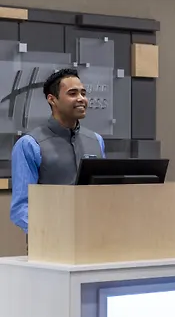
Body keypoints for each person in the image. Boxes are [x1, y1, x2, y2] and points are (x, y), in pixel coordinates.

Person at [10, 68, 106, 237]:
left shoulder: (96, 140)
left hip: (95, 237)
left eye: (83, 93)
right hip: (50, 241)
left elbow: (104, 194)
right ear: (52, 99)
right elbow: (21, 207)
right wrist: (50, 232)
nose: (81, 99)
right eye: (72, 93)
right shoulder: (29, 144)